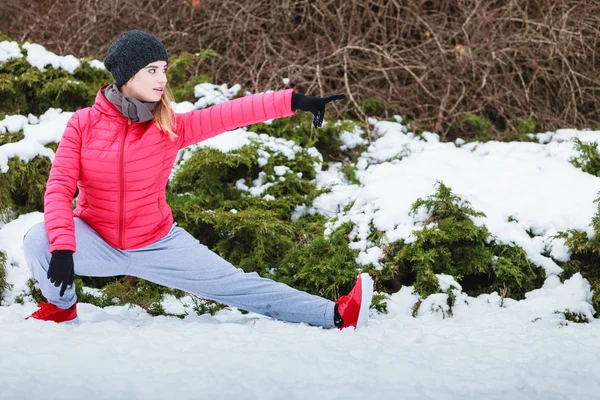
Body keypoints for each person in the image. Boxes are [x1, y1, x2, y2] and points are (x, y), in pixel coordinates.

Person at [22, 29, 373, 329]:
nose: (162, 79)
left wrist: (295, 101)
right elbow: (59, 187)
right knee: (39, 239)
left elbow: (230, 113)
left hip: (157, 242)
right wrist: (66, 247)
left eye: (164, 70)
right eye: (152, 70)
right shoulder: (83, 124)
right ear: (128, 76)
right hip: (95, 237)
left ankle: (335, 315)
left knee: (235, 284)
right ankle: (61, 308)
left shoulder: (169, 126)